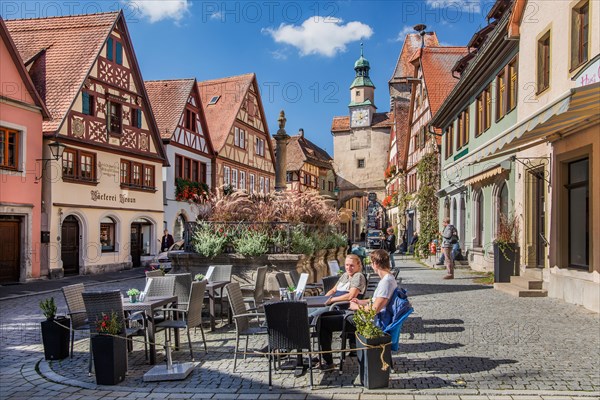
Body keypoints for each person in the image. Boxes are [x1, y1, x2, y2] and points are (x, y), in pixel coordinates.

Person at [317, 250, 397, 372]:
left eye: (371, 263)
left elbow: (374, 310)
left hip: (368, 320)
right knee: (326, 316)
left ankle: (328, 361)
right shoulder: (388, 279)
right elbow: (376, 302)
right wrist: (361, 302)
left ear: (375, 264)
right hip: (369, 316)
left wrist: (356, 307)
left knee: (322, 322)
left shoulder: (386, 282)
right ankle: (325, 358)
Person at [309, 254, 366, 319]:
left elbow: (351, 296)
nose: (348, 268)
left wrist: (331, 300)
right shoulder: (345, 275)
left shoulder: (358, 276)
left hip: (339, 307)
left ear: (358, 265)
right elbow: (333, 290)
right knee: (305, 311)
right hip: (331, 304)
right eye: (347, 265)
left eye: (352, 265)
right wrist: (325, 299)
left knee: (310, 317)